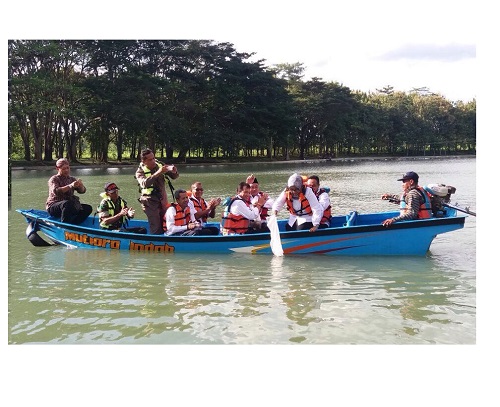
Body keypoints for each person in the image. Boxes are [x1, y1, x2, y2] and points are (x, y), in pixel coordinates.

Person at [135, 148, 179, 234]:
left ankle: (169, 243)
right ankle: (155, 244)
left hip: (163, 200)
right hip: (149, 202)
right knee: (156, 227)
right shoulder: (140, 172)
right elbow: (144, 183)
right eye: (150, 159)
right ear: (144, 161)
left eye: (154, 158)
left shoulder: (159, 165)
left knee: (166, 223)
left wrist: (174, 171)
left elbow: (174, 177)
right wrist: (158, 172)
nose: (153, 161)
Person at [46, 158, 93, 224]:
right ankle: (65, 225)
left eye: (68, 168)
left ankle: (74, 224)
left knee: (88, 208)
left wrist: (81, 186)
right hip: (54, 206)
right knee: (67, 204)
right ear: (57, 169)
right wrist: (70, 186)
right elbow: (56, 191)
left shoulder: (72, 179)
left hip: (69, 206)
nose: (66, 170)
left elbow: (82, 191)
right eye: (64, 169)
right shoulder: (54, 179)